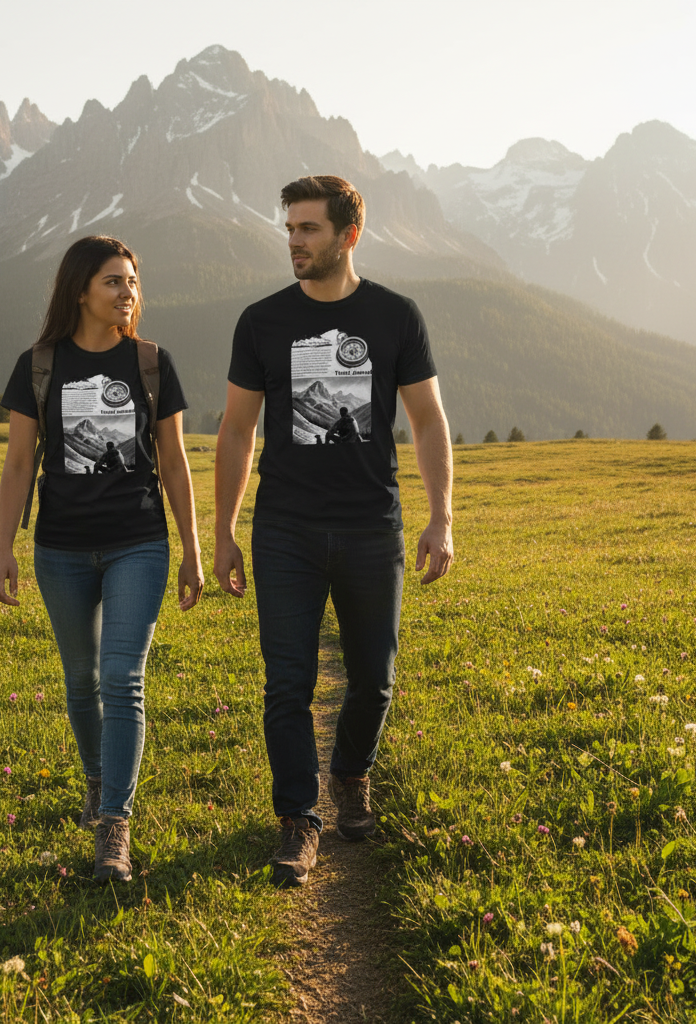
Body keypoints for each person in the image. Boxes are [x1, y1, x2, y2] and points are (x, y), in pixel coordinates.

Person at [213, 175, 453, 887]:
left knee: (374, 681)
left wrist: (442, 517)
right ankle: (298, 818)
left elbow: (429, 420)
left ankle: (351, 773)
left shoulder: (395, 316)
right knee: (286, 683)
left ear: (348, 235)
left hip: (371, 526)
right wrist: (223, 529)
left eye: (309, 229)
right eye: (289, 229)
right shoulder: (261, 321)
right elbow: (236, 430)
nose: (294, 241)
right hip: (283, 528)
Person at [0, 235, 204, 883]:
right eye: (114, 281)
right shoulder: (39, 365)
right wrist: (3, 548)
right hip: (59, 547)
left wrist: (193, 547)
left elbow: (173, 460)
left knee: (122, 678)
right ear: (81, 288)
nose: (127, 293)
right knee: (80, 680)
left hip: (138, 541)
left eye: (133, 282)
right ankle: (96, 778)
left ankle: (115, 821)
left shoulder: (151, 362)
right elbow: (21, 462)